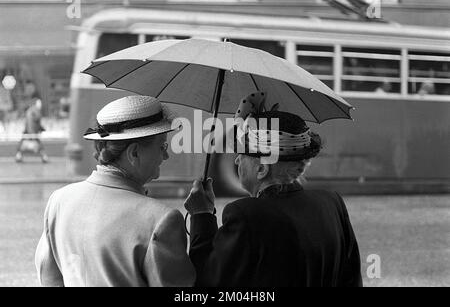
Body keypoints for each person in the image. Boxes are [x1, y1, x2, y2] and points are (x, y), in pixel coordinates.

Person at [184, 92, 362, 287]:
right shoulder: (332, 204)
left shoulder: (246, 214)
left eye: (241, 155)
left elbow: (208, 282)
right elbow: (351, 279)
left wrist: (202, 215)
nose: (236, 160)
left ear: (262, 168)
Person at [35, 95, 195, 287]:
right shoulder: (161, 220)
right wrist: (203, 220)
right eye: (162, 146)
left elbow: (49, 278)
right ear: (134, 153)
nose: (166, 155)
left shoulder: (59, 201)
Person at [15, 96, 49, 163]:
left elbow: (32, 123)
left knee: (22, 144)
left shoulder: (30, 111)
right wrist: (37, 131)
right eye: (39, 103)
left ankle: (18, 156)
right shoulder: (35, 111)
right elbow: (34, 123)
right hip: (32, 132)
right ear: (36, 104)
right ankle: (44, 157)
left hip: (28, 132)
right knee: (39, 145)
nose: (41, 105)